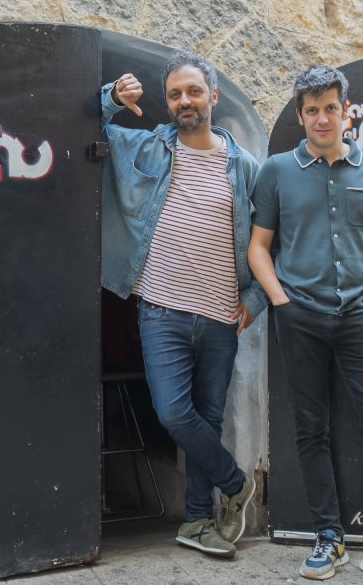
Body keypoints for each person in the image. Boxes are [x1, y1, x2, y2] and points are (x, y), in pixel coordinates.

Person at [248, 65, 363, 584]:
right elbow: (258, 246)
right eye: (312, 109)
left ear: (347, 111)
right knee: (311, 430)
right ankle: (328, 537)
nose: (322, 118)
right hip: (299, 316)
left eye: (331, 107)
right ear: (300, 116)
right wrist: (280, 301)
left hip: (360, 318)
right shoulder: (277, 170)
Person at [100, 51, 266, 557]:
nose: (183, 101)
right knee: (174, 413)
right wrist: (111, 97)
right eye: (174, 94)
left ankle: (197, 519)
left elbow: (268, 238)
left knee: (208, 420)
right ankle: (236, 484)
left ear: (213, 97)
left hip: (221, 316)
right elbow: (89, 126)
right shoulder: (148, 149)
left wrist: (256, 298)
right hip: (161, 310)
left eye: (193, 91)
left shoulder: (246, 168)